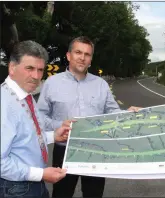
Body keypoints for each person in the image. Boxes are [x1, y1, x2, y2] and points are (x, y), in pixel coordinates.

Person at [37, 36, 140, 198]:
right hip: (64, 150)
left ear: (91, 59)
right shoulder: (52, 83)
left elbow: (112, 112)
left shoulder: (100, 84)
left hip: (96, 150)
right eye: (78, 52)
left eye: (87, 54)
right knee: (62, 193)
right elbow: (40, 116)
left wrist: (128, 113)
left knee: (94, 193)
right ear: (69, 55)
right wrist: (59, 125)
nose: (82, 57)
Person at [1, 40, 71, 198]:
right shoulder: (4, 104)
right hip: (15, 188)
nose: (36, 76)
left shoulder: (25, 95)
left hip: (32, 183)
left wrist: (54, 135)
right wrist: (40, 174)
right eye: (29, 68)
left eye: (40, 70)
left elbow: (26, 138)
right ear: (12, 67)